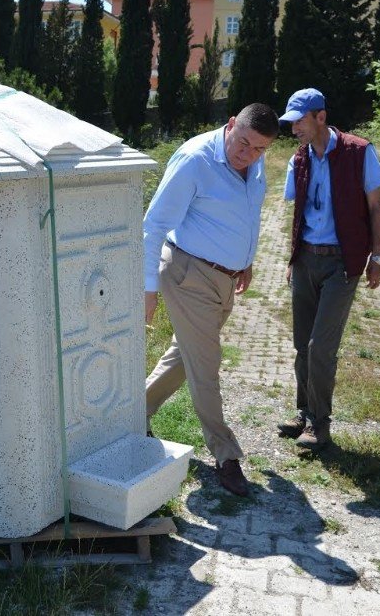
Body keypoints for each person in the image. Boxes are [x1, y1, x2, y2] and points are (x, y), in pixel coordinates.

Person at [144, 103, 280, 497]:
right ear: (231, 123)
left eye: (258, 149)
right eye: (243, 143)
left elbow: (250, 213)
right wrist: (147, 288)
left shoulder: (253, 165)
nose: (248, 154)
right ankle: (225, 455)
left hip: (223, 277)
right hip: (188, 273)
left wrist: (247, 260)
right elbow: (153, 224)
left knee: (185, 355)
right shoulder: (195, 159)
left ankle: (133, 415)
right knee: (206, 364)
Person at [277, 88, 380, 449]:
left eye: (299, 121)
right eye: (290, 123)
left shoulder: (359, 152)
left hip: (343, 262)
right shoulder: (300, 159)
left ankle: (319, 425)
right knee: (301, 345)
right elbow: (296, 212)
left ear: (320, 117)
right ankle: (304, 412)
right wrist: (293, 258)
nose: (294, 129)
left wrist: (377, 257)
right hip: (307, 257)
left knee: (320, 346)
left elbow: (375, 208)